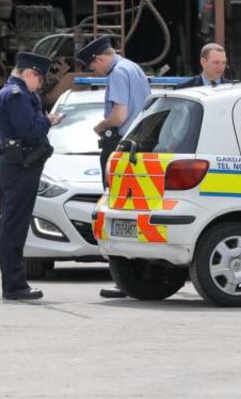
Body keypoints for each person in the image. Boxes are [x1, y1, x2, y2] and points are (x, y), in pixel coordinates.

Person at [75, 35, 150, 298]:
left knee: (116, 213)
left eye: (92, 67)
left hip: (120, 145)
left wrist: (101, 125)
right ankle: (138, 278)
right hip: (139, 148)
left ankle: (123, 279)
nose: (94, 71)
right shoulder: (133, 68)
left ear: (100, 58)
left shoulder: (117, 73)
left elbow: (118, 115)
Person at [0, 52, 64, 301]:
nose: (40, 86)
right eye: (40, 80)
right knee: (14, 227)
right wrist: (47, 121)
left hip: (18, 166)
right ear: (29, 74)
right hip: (20, 167)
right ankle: (14, 285)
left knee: (13, 225)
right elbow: (31, 131)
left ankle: (14, 282)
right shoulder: (17, 96)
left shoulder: (17, 94)